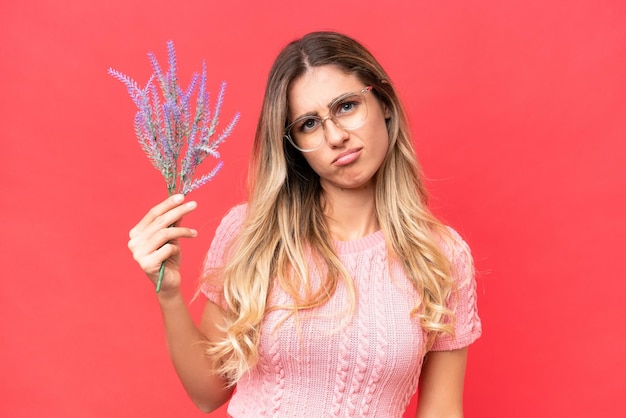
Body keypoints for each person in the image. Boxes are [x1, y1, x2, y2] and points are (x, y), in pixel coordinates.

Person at [128, 31, 481, 417]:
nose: (335, 136)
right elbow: (209, 393)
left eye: (347, 106)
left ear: (383, 102)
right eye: (309, 124)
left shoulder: (441, 255)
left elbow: (442, 411)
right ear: (293, 143)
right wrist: (170, 296)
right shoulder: (252, 232)